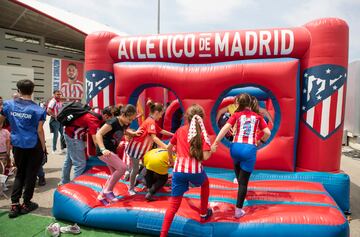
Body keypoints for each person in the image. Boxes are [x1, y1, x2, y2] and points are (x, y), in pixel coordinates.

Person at [212, 94, 271, 218]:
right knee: (244, 183)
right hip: (249, 149)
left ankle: (238, 180)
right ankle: (238, 211)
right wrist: (260, 141)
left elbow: (224, 128)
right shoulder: (257, 117)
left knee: (237, 162)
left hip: (235, 148)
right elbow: (267, 132)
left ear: (240, 104)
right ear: (250, 103)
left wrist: (216, 142)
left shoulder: (236, 115)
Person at [160, 104, 214, 237]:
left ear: (187, 117)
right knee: (205, 184)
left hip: (178, 170)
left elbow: (169, 147)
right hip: (195, 171)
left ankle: (163, 234)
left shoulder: (180, 130)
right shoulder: (202, 134)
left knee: (173, 204)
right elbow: (205, 157)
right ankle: (202, 214)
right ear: (201, 119)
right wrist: (212, 150)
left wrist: (171, 161)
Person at [0, 79, 46, 218]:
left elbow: (0, 120)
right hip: (33, 145)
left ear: (18, 90)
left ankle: (14, 205)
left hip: (18, 144)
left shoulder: (8, 104)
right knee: (31, 174)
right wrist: (43, 148)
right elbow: (39, 130)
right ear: (32, 91)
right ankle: (26, 203)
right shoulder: (38, 109)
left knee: (20, 173)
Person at [126, 100, 174, 196]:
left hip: (142, 150)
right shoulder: (150, 121)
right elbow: (154, 137)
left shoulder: (150, 120)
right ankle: (131, 187)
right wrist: (166, 147)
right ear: (156, 112)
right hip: (136, 149)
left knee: (147, 166)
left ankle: (139, 178)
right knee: (136, 168)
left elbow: (161, 131)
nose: (160, 117)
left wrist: (174, 135)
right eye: (160, 114)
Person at [95, 104, 139, 205]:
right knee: (122, 168)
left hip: (112, 151)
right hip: (104, 151)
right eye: (130, 119)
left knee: (114, 174)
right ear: (123, 114)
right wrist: (103, 149)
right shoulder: (113, 122)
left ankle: (101, 196)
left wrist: (132, 134)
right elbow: (99, 134)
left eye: (132, 120)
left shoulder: (125, 123)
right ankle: (107, 191)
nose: (130, 122)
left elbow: (123, 131)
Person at [60, 106, 102, 185]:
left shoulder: (87, 113)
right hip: (74, 137)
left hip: (68, 133)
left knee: (68, 160)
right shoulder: (93, 119)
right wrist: (102, 149)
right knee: (80, 164)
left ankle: (64, 181)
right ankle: (74, 186)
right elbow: (95, 138)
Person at [47, 90, 66, 154]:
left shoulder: (59, 101)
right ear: (54, 94)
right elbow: (48, 110)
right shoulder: (53, 101)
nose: (59, 95)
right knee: (56, 135)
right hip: (55, 120)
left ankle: (62, 148)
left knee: (63, 134)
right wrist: (55, 116)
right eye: (57, 94)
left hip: (60, 120)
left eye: (60, 94)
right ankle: (54, 149)